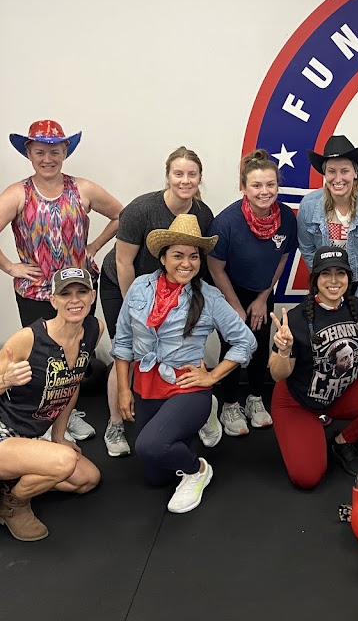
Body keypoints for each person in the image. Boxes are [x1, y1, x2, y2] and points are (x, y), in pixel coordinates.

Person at [0, 119, 122, 445]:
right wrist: (10, 266)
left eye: (54, 151)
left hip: (78, 288)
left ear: (65, 151)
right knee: (43, 359)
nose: (47, 159)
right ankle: (46, 417)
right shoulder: (18, 194)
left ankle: (70, 412)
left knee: (75, 353)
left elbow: (122, 215)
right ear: (29, 153)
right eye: (40, 152)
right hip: (37, 292)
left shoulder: (82, 189)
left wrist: (94, 246)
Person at [0, 267, 103, 559]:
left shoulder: (93, 330)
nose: (75, 300)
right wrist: (5, 379)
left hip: (30, 436)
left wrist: (59, 436)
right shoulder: (28, 338)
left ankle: (10, 481)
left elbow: (71, 385)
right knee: (64, 462)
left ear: (92, 296)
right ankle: (11, 505)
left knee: (87, 479)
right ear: (53, 300)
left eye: (81, 292)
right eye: (66, 294)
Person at [113, 216, 255, 514]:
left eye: (193, 257)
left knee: (150, 446)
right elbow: (123, 342)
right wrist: (123, 390)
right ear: (163, 258)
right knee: (155, 476)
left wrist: (212, 377)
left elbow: (245, 341)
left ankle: (198, 470)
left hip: (186, 386)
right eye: (178, 255)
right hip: (146, 385)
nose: (186, 264)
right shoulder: (139, 288)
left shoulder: (209, 297)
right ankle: (195, 425)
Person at [99, 146, 215, 457]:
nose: (185, 180)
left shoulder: (202, 214)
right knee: (126, 352)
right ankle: (115, 424)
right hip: (123, 284)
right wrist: (134, 310)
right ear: (167, 176)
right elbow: (123, 262)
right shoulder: (141, 210)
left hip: (169, 288)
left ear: (200, 178)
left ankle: (193, 411)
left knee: (181, 347)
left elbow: (197, 262)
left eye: (191, 174)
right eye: (178, 174)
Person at [268, 246, 358, 488]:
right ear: (315, 279)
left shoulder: (357, 307)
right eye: (326, 274)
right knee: (307, 478)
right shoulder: (297, 319)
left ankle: (341, 442)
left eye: (340, 273)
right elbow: (278, 375)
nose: (334, 280)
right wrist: (284, 351)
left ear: (348, 277)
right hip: (298, 402)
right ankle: (307, 433)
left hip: (339, 393)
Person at [207, 149, 297, 437]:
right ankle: (230, 404)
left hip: (262, 292)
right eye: (256, 185)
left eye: (270, 184)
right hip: (229, 291)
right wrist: (235, 306)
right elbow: (215, 267)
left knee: (259, 344)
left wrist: (262, 298)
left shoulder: (286, 217)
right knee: (234, 345)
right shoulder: (226, 222)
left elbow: (283, 257)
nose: (264, 191)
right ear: (243, 187)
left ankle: (255, 398)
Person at [297, 135, 358, 366]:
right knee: (336, 341)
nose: (338, 178)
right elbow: (307, 249)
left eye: (344, 171)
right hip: (331, 282)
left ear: (355, 172)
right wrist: (326, 280)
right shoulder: (309, 206)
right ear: (324, 173)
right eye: (331, 171)